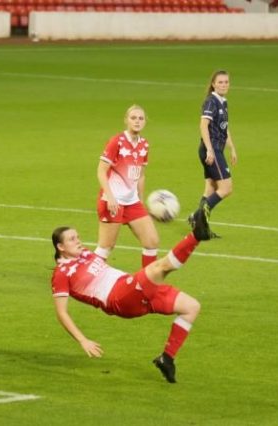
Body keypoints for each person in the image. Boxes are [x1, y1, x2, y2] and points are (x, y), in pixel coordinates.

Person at [50, 213, 211, 384]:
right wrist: (83, 340)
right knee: (159, 268)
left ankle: (167, 358)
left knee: (191, 307)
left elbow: (107, 245)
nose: (78, 241)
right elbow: (61, 313)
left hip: (128, 288)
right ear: (60, 246)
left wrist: (118, 215)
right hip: (119, 298)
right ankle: (196, 235)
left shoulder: (85, 255)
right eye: (72, 239)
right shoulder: (61, 274)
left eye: (78, 237)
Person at [95, 105, 160, 267]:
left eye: (141, 118)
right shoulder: (117, 142)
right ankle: (85, 278)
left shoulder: (144, 144)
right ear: (126, 120)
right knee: (106, 246)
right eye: (133, 118)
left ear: (145, 122)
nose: (137, 121)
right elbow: (101, 171)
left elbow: (140, 175)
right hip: (113, 200)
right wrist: (110, 198)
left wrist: (141, 200)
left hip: (132, 202)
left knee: (152, 242)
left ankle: (147, 285)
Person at [189, 70, 238, 237]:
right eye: (220, 82)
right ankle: (197, 217)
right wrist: (210, 149)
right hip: (211, 150)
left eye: (226, 82)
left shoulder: (223, 102)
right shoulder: (211, 102)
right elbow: (203, 126)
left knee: (211, 187)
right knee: (226, 188)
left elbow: (224, 127)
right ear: (213, 84)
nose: (224, 85)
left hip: (216, 149)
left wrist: (231, 147)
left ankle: (201, 227)